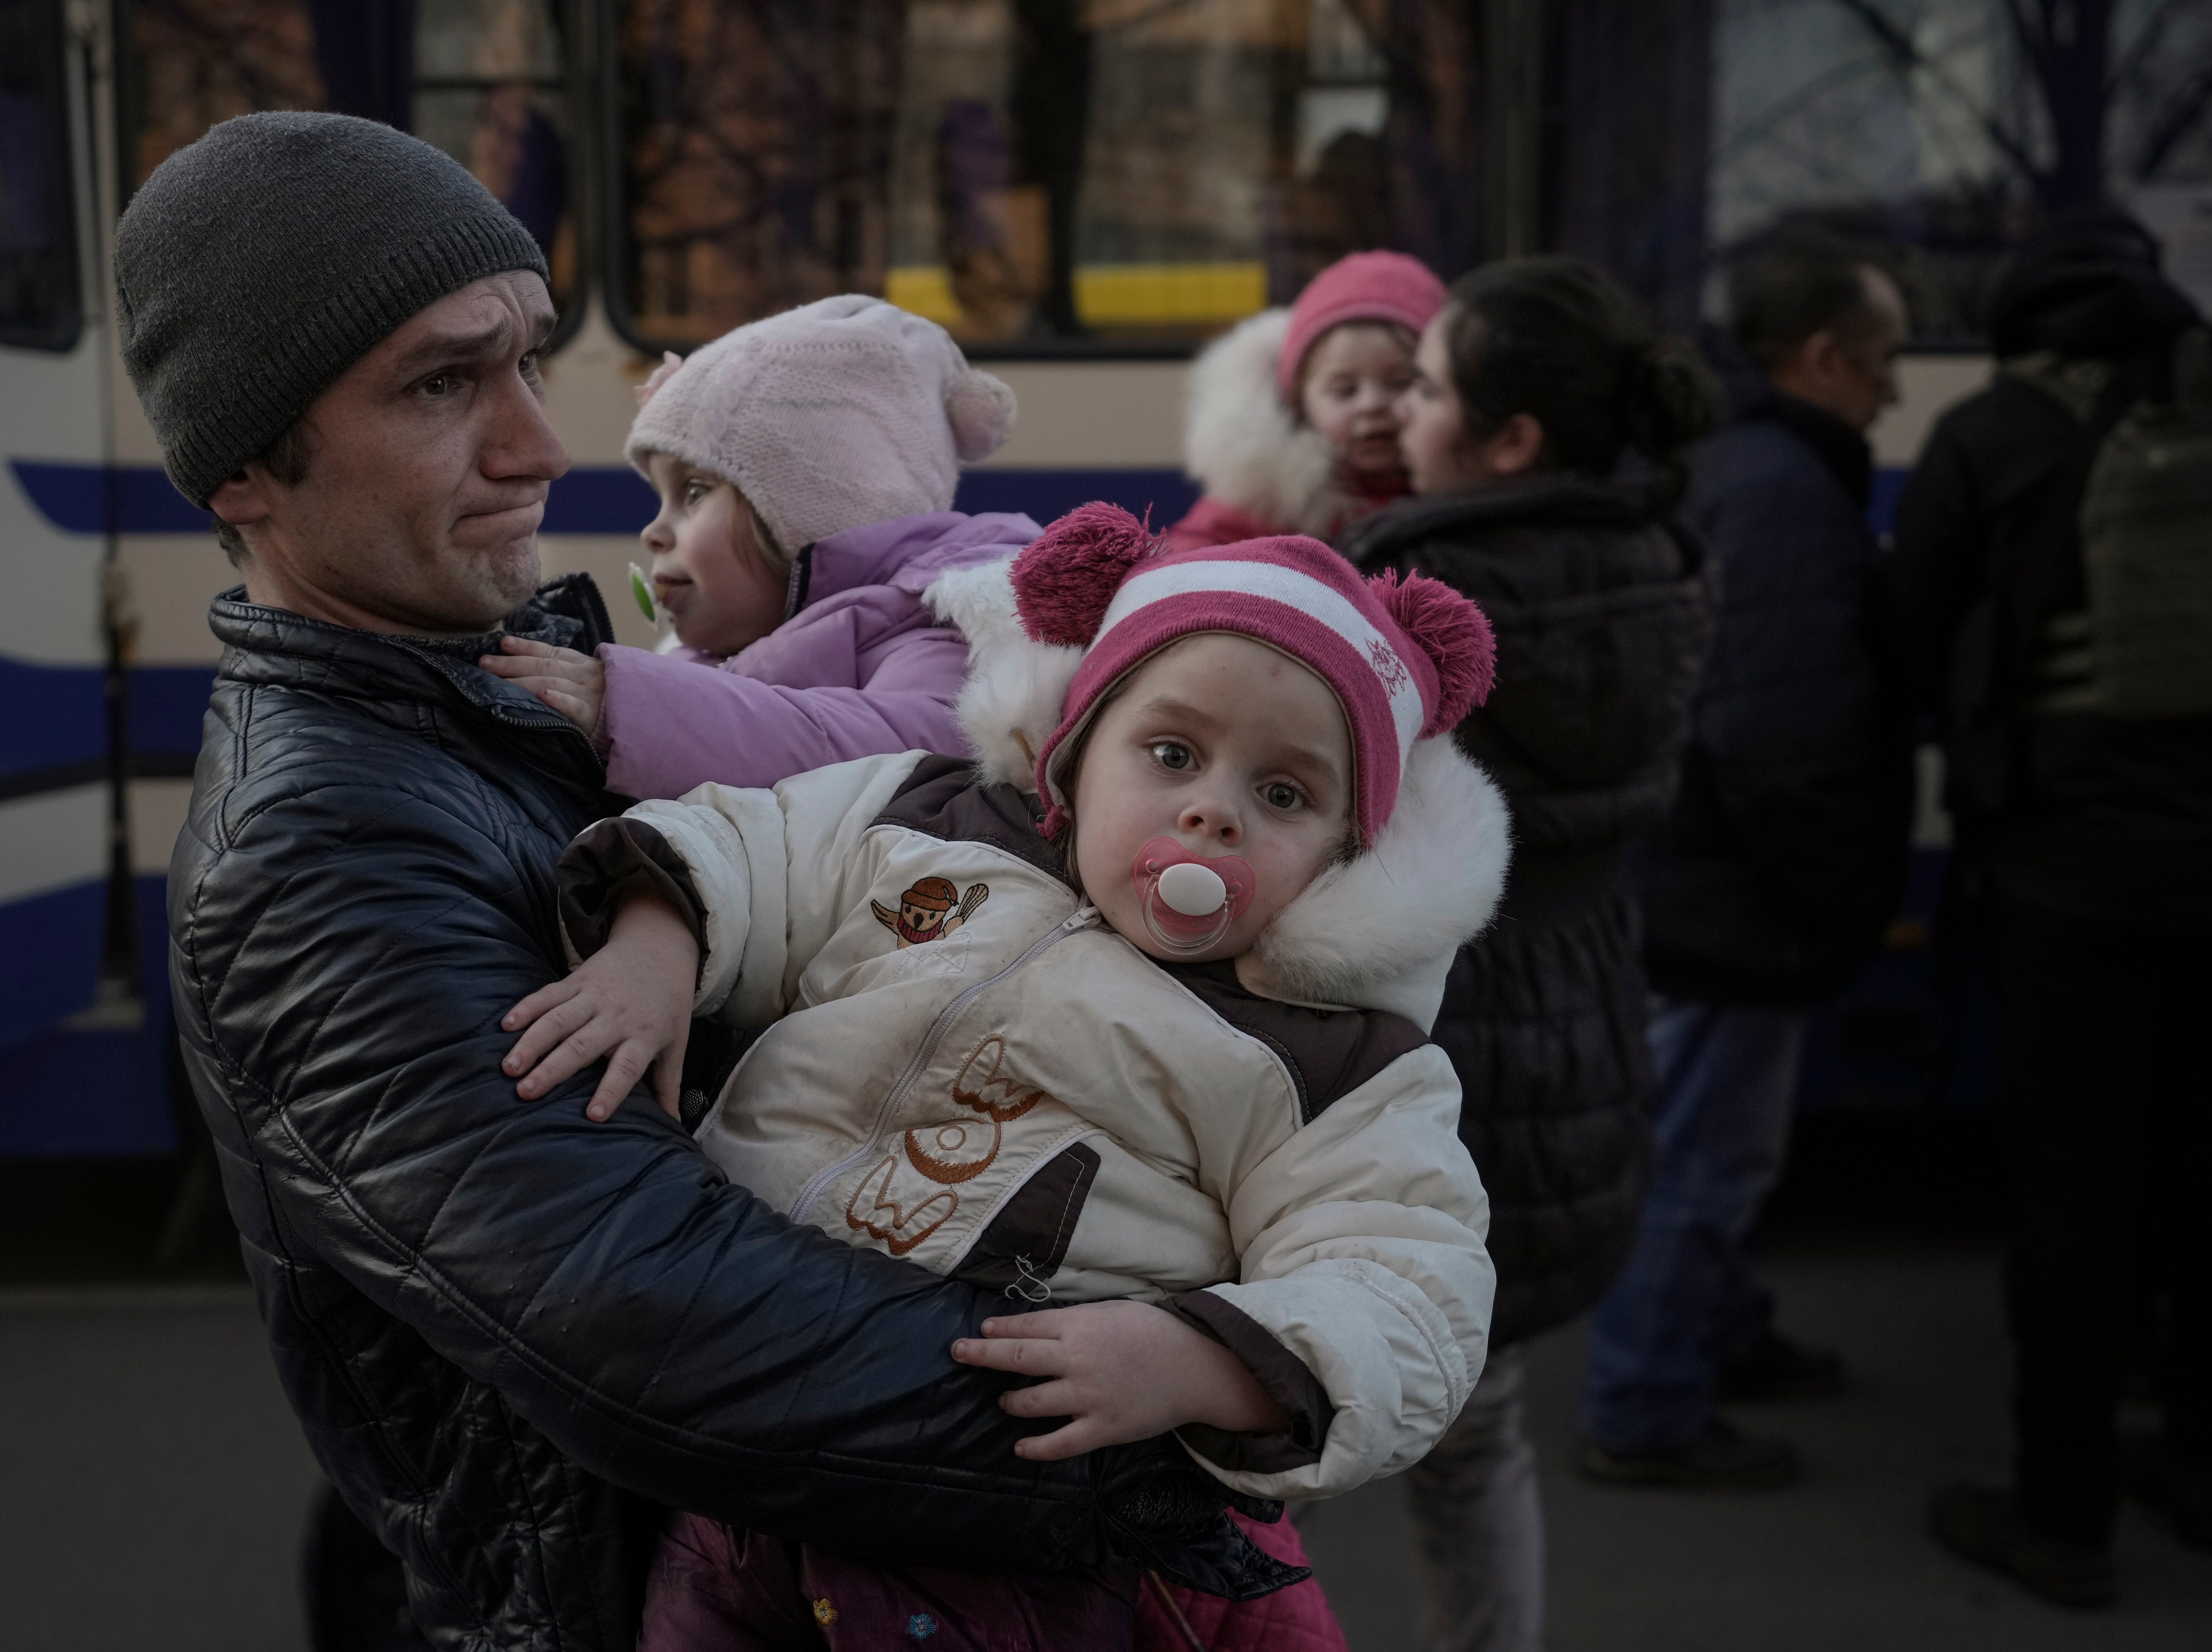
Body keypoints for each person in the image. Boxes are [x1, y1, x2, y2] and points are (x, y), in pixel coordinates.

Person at [124, 111, 1265, 1649]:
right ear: (248, 465)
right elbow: (656, 1315)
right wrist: (1173, 1408)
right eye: (442, 383)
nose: (536, 444)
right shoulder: (321, 847)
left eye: (528, 360)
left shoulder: (503, 703)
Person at [505, 507, 1506, 1647]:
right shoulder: (923, 820)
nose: (1210, 810)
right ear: (1075, 753)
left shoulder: (1330, 1056)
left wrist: (1200, 1362)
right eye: (1171, 753)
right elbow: (756, 843)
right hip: (731, 1433)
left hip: (992, 1520)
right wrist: (656, 934)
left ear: (1341, 854)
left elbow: (1409, 1282)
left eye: (1284, 796)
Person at [1345, 256, 1718, 1652]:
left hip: (1421, 1053)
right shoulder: (1669, 560)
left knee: (1268, 1433)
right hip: (1580, 1036)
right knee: (1479, 1431)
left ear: (1511, 441)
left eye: (1430, 390)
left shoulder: (1424, 586)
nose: (1400, 412)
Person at [1892, 212, 2212, 1609]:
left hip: (2070, 874)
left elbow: (1910, 628)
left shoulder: (1994, 432)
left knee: (2071, 1195)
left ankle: (2061, 1514)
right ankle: (2196, 1470)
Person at [1578, 241, 1916, 1486]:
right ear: (1822, 357)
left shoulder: (1743, 468)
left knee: (1719, 1146)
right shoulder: (1786, 492)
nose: (1889, 393)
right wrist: (1835, 900)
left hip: (1704, 879)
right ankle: (1648, 1405)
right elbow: (1785, 729)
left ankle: (1716, 1335)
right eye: (1880, 364)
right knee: (1706, 1157)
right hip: (1736, 898)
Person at [481, 295, 1041, 801]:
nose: (654, 531)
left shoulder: (929, 624)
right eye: (661, 498)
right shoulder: (714, 651)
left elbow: (911, 746)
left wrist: (640, 708)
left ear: (815, 507)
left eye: (694, 492)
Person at [1166, 250, 1445, 554]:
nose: (1371, 404)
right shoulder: (1265, 504)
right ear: (1298, 401)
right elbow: (1183, 564)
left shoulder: (1464, 494)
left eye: (1400, 383)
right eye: (1345, 389)